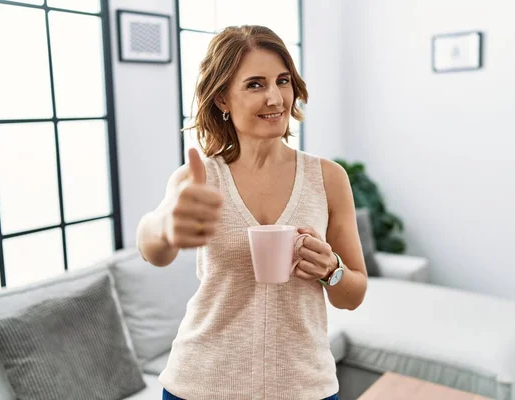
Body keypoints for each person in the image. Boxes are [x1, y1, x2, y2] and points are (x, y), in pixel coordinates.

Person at [136, 25, 367, 400]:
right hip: (200, 385)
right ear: (223, 99)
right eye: (255, 84)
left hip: (304, 387)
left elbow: (352, 295)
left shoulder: (328, 178)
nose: (276, 98)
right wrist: (165, 227)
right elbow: (152, 248)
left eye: (283, 81)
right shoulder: (198, 178)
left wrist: (331, 269)